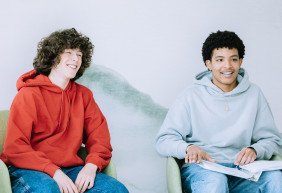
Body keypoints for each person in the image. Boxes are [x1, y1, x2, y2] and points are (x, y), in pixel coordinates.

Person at [0, 28, 128, 193]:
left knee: (115, 189)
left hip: (70, 169)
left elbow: (100, 138)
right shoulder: (28, 95)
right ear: (53, 57)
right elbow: (15, 148)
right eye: (68, 52)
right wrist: (54, 172)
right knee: (48, 190)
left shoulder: (84, 96)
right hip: (28, 169)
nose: (75, 59)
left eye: (80, 55)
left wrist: (91, 165)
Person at [155, 30, 282, 193]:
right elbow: (163, 140)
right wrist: (188, 148)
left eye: (233, 59)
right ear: (208, 63)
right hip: (204, 169)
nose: (227, 66)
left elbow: (271, 140)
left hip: (244, 170)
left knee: (275, 179)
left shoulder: (254, 94)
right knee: (216, 182)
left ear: (240, 61)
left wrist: (255, 150)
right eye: (219, 60)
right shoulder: (190, 96)